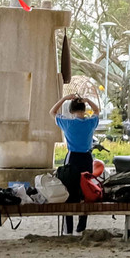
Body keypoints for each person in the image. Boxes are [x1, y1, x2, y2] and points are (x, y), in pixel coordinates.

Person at [53, 94, 100, 235]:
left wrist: (64, 99)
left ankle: (69, 228)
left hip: (72, 157)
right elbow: (97, 111)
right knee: (86, 190)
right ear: (84, 109)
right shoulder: (91, 122)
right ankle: (82, 226)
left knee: (69, 190)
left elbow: (52, 112)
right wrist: (87, 100)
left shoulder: (67, 123)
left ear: (71, 110)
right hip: (87, 157)